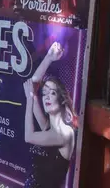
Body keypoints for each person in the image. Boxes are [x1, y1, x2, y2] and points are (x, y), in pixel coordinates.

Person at [23, 42, 77, 188]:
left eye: (52, 93)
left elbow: (29, 136)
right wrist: (48, 58)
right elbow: (33, 83)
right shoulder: (48, 127)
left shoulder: (65, 133)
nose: (46, 97)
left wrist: (30, 99)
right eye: (44, 93)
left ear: (62, 99)